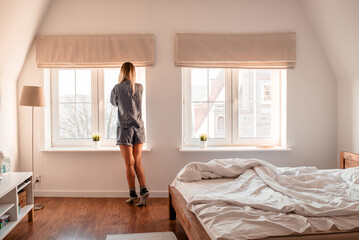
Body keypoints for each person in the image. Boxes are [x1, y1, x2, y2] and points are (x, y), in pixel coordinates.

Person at [110, 62, 149, 206]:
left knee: (129, 162)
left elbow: (114, 103)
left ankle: (132, 193)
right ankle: (143, 191)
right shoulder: (139, 87)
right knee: (137, 161)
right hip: (139, 128)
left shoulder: (117, 88)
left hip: (125, 128)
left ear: (122, 72)